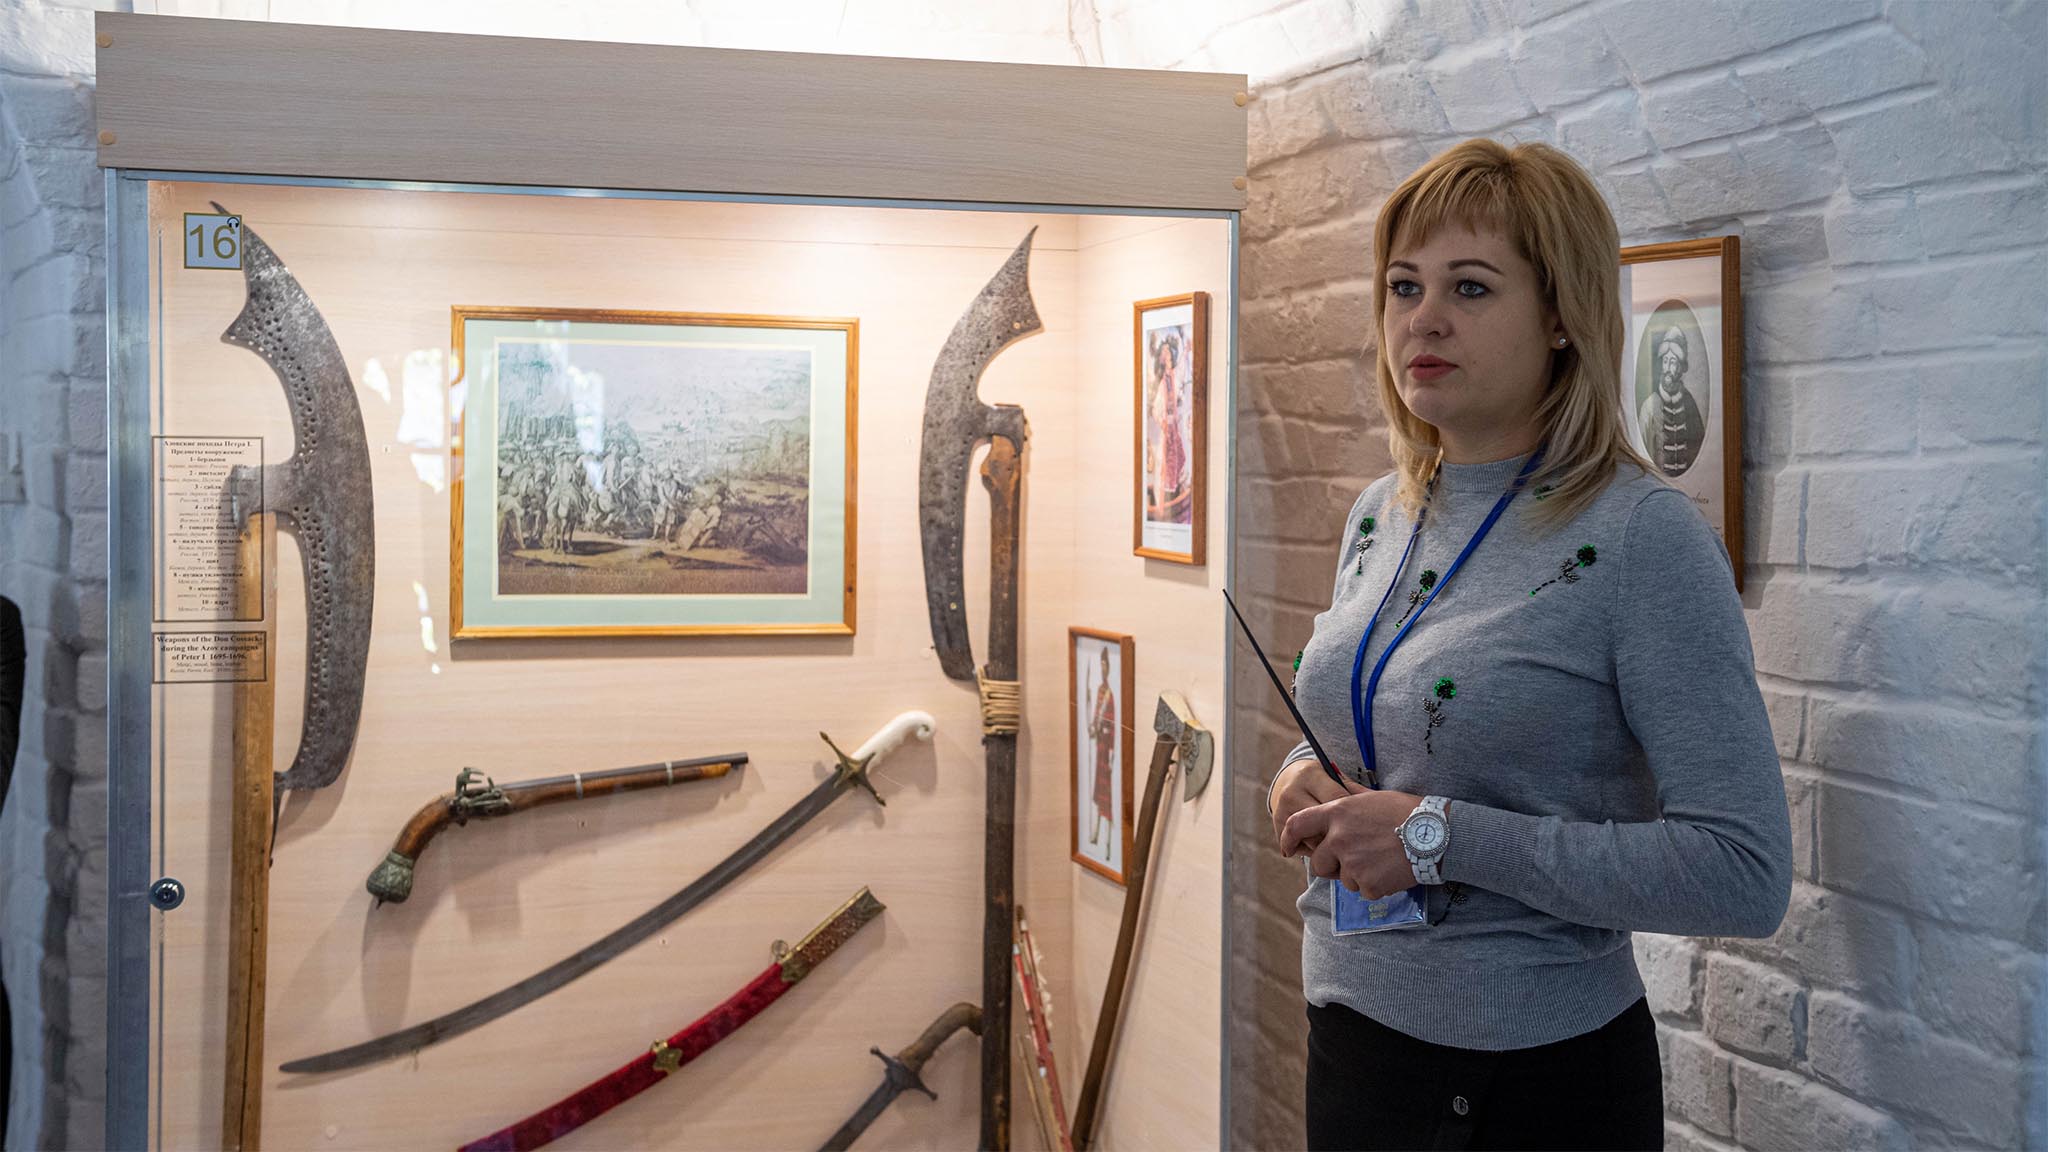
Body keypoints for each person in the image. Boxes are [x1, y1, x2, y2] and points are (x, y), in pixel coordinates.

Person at [1264, 140, 1790, 1151]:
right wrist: (1299, 776)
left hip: (1527, 1085)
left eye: (1469, 286)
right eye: (1403, 286)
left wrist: (1434, 838)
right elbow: (1383, 727)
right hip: (1352, 1040)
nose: (1422, 318)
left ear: (1559, 316)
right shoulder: (1381, 512)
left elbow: (1742, 872)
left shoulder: (1641, 536)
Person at [1638, 323, 1705, 476]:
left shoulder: (1690, 404)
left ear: (1681, 367)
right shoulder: (1649, 407)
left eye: (1673, 362)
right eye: (1665, 361)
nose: (1668, 368)